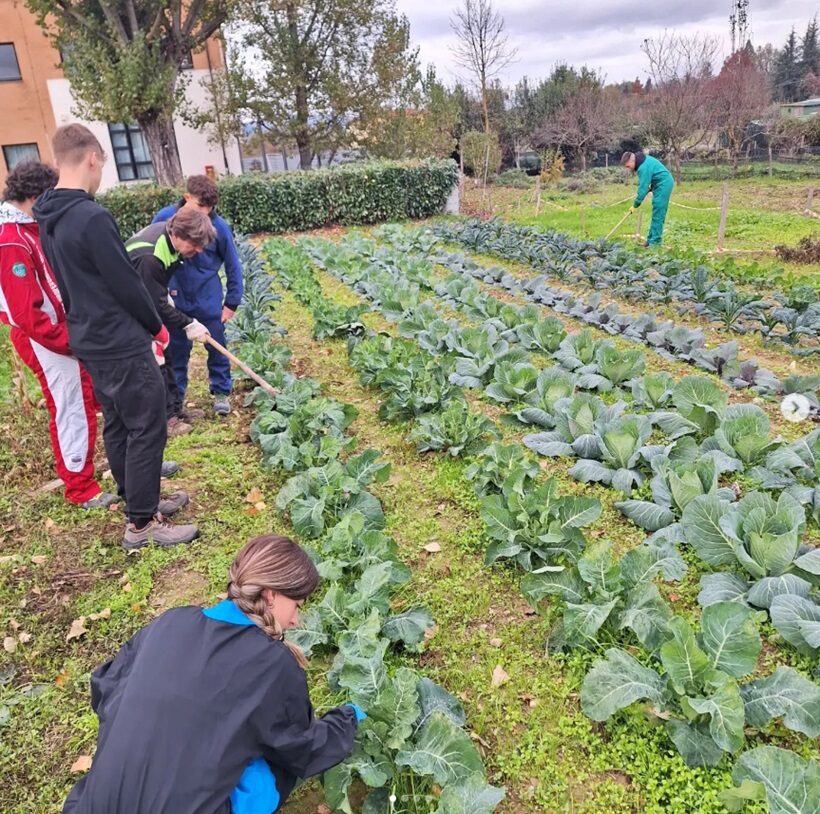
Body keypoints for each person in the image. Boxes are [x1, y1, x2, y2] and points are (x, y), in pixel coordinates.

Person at [62, 534, 364, 814]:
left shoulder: (170, 622)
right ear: (271, 595)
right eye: (296, 605)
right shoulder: (272, 663)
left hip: (94, 804)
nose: (297, 620)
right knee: (266, 774)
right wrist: (348, 719)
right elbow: (299, 749)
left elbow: (105, 687)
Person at [33, 124, 198, 550]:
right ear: (92, 158)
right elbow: (126, 283)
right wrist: (156, 326)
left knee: (121, 423)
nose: (101, 170)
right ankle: (143, 524)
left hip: (88, 337)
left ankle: (136, 499)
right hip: (119, 339)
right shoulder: (90, 215)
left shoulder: (47, 216)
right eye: (102, 162)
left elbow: (66, 285)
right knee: (148, 424)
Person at [0, 160, 116, 508]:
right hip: (44, 338)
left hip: (61, 332)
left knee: (92, 397)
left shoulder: (30, 228)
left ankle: (107, 465)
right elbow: (26, 314)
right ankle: (80, 488)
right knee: (71, 405)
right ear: (35, 196)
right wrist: (69, 341)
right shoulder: (11, 240)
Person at [153, 175, 244, 418]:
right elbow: (153, 258)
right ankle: (176, 402)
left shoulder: (219, 227)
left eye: (209, 208)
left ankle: (221, 391)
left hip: (207, 299)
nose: (205, 213)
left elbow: (233, 265)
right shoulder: (164, 220)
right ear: (187, 199)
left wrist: (231, 302)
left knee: (217, 348)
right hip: (175, 300)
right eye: (200, 206)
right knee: (176, 354)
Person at [126, 209, 216, 436]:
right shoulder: (149, 257)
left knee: (168, 354)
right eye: (194, 245)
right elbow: (153, 306)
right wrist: (188, 323)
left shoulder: (169, 240)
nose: (197, 251)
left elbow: (155, 291)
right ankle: (167, 420)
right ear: (179, 235)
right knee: (157, 364)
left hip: (145, 295)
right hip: (127, 311)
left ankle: (176, 410)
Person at [621, 150, 675, 247]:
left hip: (664, 184)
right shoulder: (641, 161)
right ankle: (650, 240)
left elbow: (642, 188)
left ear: (632, 160)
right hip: (658, 184)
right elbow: (647, 182)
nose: (628, 169)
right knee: (656, 213)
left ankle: (655, 243)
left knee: (658, 214)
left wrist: (635, 204)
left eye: (628, 166)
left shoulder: (643, 167)